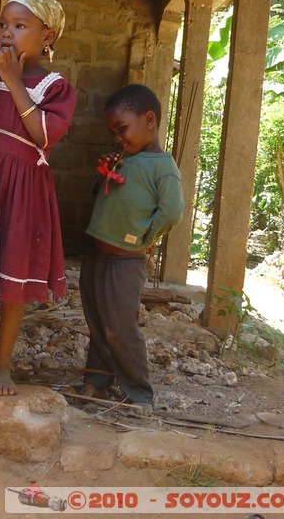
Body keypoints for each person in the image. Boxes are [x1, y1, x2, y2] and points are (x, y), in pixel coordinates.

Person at [0, 0, 76, 397]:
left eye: (20, 26)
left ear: (47, 36)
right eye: (4, 24)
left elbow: (41, 134)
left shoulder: (56, 87)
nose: (8, 32)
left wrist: (15, 82)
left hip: (22, 187)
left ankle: (1, 365)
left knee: (12, 277)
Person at [80, 83, 184, 415]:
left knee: (120, 327)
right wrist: (104, 173)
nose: (117, 138)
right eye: (114, 131)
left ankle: (139, 394)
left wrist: (147, 238)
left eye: (121, 129)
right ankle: (97, 379)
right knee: (97, 321)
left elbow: (172, 211)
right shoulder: (126, 157)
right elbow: (106, 195)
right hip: (97, 256)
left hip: (124, 263)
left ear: (149, 120)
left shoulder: (163, 169)